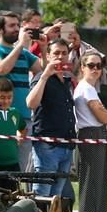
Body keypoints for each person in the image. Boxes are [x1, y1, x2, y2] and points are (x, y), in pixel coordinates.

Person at [0, 10, 42, 172]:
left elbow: (41, 71)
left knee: (20, 169)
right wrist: (20, 46)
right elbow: (1, 69)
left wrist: (44, 47)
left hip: (23, 117)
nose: (17, 29)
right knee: (0, 167)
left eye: (18, 25)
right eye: (11, 26)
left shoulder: (24, 53)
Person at [26, 38, 76, 197]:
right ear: (48, 55)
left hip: (66, 146)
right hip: (47, 146)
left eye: (64, 53)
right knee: (42, 194)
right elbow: (31, 103)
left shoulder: (67, 81)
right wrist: (44, 76)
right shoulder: (41, 77)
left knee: (56, 198)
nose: (60, 57)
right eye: (56, 53)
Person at [74, 51, 107, 212]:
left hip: (93, 134)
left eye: (99, 65)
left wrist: (105, 112)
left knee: (97, 182)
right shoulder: (86, 88)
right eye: (91, 65)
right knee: (93, 183)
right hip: (91, 134)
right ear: (82, 67)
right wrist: (106, 113)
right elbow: (104, 117)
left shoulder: (89, 88)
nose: (96, 69)